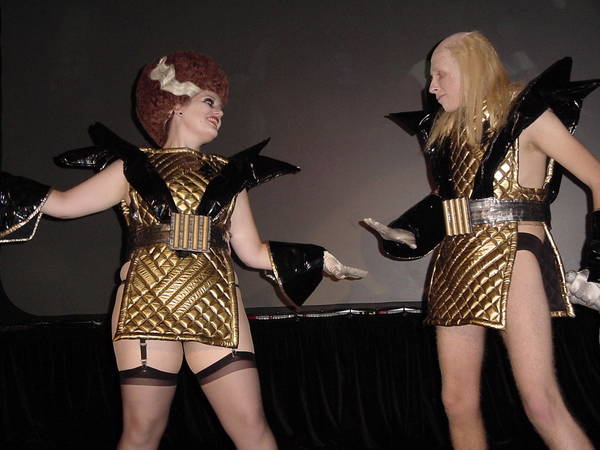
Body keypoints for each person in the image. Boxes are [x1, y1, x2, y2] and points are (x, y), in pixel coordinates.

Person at [0, 51, 365, 450]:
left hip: (215, 304)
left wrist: (317, 259)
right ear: (175, 102)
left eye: (221, 107)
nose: (219, 113)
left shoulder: (230, 175)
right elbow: (64, 204)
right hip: (145, 302)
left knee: (251, 428)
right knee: (142, 433)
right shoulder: (132, 168)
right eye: (209, 101)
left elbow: (251, 252)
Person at [364, 32, 599, 449]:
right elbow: (452, 200)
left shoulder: (527, 114)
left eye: (440, 74)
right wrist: (411, 231)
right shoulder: (447, 133)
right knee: (457, 403)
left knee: (541, 403)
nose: (431, 87)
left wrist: (597, 263)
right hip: (456, 258)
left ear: (472, 68)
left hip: (514, 252)